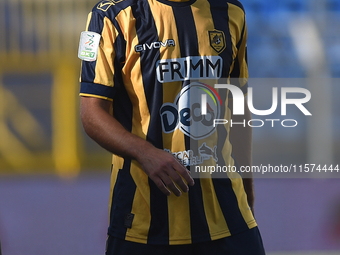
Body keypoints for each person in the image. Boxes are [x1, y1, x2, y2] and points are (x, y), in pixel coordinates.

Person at [79, 0, 265, 254]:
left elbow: (239, 109)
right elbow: (91, 114)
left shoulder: (231, 10)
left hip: (229, 216)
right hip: (142, 222)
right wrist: (145, 153)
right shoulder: (110, 16)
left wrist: (247, 190)